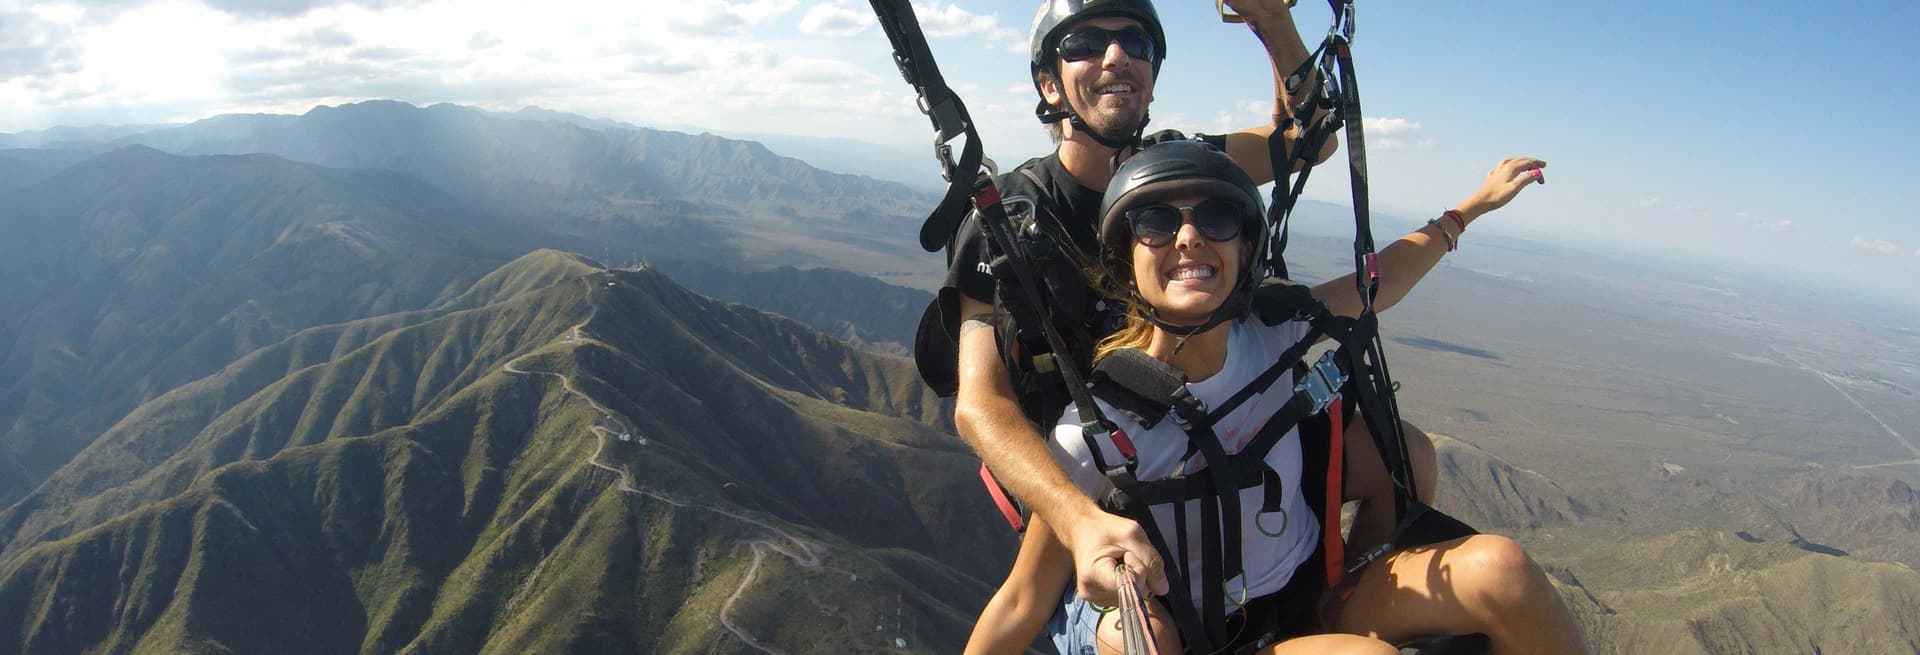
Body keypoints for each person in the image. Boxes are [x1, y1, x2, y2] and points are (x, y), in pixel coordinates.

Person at [966, 141, 1583, 654]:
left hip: (1316, 591)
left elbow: (1379, 281)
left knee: (1504, 569)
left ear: (1245, 250)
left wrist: (1467, 212)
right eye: (1155, 223)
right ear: (1127, 263)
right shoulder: (1096, 433)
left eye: (1216, 220)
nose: (1188, 237)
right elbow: (1024, 600)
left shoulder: (1272, 331)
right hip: (1212, 641)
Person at [939, 0, 1371, 612]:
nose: (1116, 54)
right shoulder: (1006, 222)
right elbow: (980, 406)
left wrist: (1272, 21)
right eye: (1085, 42)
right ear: (1048, 82)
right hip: (1097, 500)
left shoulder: (1180, 168)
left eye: (1135, 42)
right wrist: (1077, 520)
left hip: (1218, 442)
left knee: (1398, 452)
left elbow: (1308, 142)